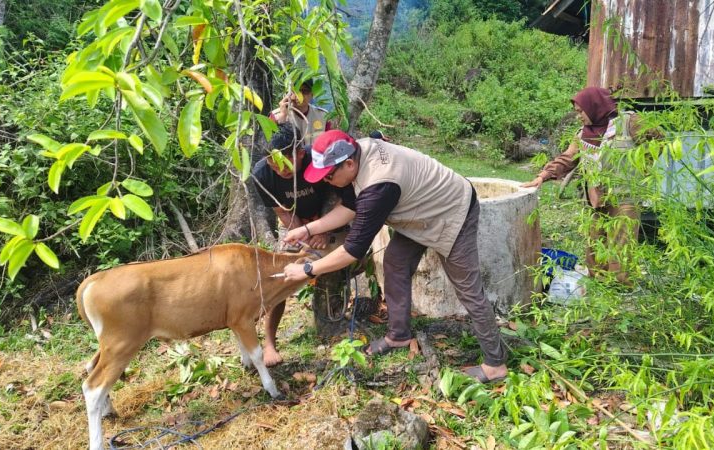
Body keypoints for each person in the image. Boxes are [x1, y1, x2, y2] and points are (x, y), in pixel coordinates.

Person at [280, 130, 508, 384]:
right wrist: (308, 229)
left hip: (451, 209)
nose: (327, 182)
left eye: (330, 176)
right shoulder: (357, 152)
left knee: (468, 289)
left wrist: (308, 270)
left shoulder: (379, 185)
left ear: (349, 164)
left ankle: (495, 364)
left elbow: (352, 250)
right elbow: (348, 207)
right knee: (395, 262)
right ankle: (399, 335)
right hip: (418, 209)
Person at [521, 86, 662, 284]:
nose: (578, 116)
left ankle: (620, 291)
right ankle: (599, 288)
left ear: (594, 106)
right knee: (595, 244)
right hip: (595, 199)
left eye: (580, 111)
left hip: (624, 198)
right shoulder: (582, 134)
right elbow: (568, 158)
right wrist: (543, 176)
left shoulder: (629, 123)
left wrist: (644, 165)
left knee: (620, 247)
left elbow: (659, 140)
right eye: (577, 112)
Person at [252, 122, 353, 365]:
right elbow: (282, 211)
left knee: (329, 265)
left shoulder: (318, 160)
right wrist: (302, 233)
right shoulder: (262, 174)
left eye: (286, 163)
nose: (279, 169)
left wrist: (323, 229)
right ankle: (269, 344)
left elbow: (341, 199)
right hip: (298, 226)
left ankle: (331, 323)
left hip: (333, 222)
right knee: (280, 276)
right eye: (273, 163)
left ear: (299, 152)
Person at [270, 79, 332, 146]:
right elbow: (270, 144)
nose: (299, 96)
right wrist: (282, 116)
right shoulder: (275, 115)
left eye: (305, 91)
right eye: (295, 91)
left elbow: (329, 143)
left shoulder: (323, 115)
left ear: (312, 94)